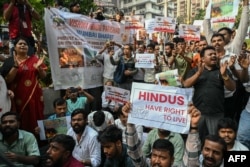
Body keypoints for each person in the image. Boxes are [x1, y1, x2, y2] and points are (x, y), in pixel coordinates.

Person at [183, 46, 236, 141]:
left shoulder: (222, 70)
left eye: (214, 54)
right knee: (196, 139)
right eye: (210, 54)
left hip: (216, 114)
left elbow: (232, 87)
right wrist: (198, 74)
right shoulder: (195, 70)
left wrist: (224, 76)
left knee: (215, 141)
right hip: (198, 113)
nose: (213, 56)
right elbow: (186, 84)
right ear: (203, 58)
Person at [0, 36, 47, 134]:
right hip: (16, 96)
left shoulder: (34, 59)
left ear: (28, 47)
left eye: (25, 44)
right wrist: (15, 67)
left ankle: (38, 141)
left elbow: (43, 76)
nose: (22, 45)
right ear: (15, 47)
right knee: (18, 119)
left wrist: (39, 69)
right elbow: (7, 81)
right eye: (20, 44)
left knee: (35, 117)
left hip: (34, 96)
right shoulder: (9, 61)